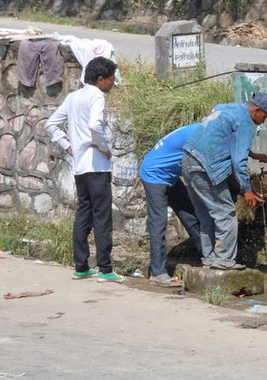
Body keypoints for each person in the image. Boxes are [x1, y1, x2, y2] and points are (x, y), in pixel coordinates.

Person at [44, 56, 124, 283]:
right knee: (102, 216)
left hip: (80, 167)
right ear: (101, 79)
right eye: (110, 80)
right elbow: (94, 125)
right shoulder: (97, 96)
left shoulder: (73, 97)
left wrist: (67, 145)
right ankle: (105, 269)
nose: (112, 84)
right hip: (97, 165)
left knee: (84, 213)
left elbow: (50, 124)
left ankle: (81, 265)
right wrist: (105, 148)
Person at [181, 92, 267, 271]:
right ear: (257, 110)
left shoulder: (232, 108)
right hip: (205, 166)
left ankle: (209, 258)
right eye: (265, 116)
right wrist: (246, 189)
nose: (264, 121)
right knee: (226, 213)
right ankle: (224, 260)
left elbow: (218, 117)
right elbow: (238, 161)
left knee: (206, 214)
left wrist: (254, 155)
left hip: (188, 160)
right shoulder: (246, 123)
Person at [139, 124, 202, 287]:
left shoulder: (200, 129)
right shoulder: (199, 135)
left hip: (170, 176)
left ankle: (207, 255)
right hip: (154, 174)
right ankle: (157, 273)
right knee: (158, 222)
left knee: (190, 213)